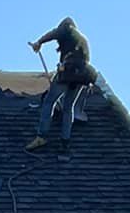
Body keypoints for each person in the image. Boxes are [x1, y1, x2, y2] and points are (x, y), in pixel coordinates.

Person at [28, 17, 97, 146]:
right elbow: (85, 61)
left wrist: (39, 42)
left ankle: (42, 136)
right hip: (82, 78)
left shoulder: (67, 29)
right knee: (68, 106)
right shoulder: (83, 40)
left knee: (49, 101)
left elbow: (53, 33)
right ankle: (65, 140)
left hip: (68, 73)